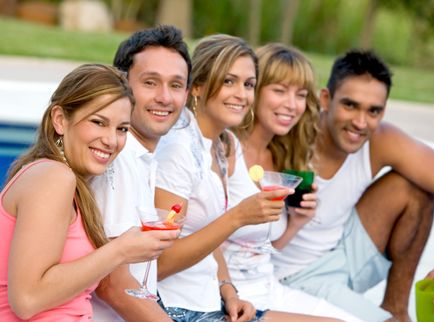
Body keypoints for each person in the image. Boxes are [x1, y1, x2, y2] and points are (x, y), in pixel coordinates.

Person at [154, 34, 344, 322]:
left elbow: (207, 239)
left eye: (249, 84)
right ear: (198, 86)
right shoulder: (178, 150)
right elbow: (157, 265)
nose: (241, 94)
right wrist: (238, 217)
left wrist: (229, 292)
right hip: (182, 309)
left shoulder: (222, 144)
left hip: (219, 299)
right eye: (229, 81)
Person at [272, 49, 434, 322]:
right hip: (296, 276)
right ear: (325, 99)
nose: (360, 122)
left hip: (344, 250)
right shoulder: (289, 135)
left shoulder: (381, 138)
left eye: (373, 111)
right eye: (350, 105)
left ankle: (397, 310)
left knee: (416, 187)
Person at [0, 64, 180, 321]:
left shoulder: (68, 182)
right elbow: (27, 299)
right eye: (98, 122)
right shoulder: (54, 177)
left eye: (122, 129)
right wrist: (121, 250)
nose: (111, 140)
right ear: (60, 120)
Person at [226, 43, 361, 322]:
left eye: (300, 95)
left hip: (267, 287)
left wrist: (297, 221)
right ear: (254, 89)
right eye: (279, 90)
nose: (292, 104)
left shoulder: (280, 156)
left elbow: (262, 247)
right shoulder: (226, 150)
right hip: (231, 298)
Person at [89, 25, 191, 321]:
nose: (164, 98)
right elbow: (111, 284)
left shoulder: (144, 159)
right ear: (122, 84)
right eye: (150, 82)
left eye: (175, 85)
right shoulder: (116, 161)